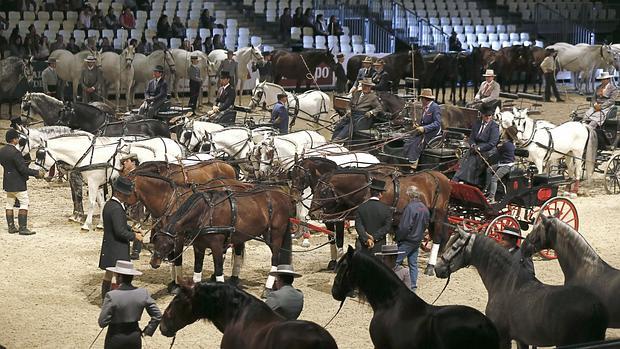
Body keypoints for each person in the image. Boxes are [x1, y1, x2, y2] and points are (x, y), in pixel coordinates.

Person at [98, 176, 144, 302]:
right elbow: (119, 231)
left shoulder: (110, 205)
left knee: (108, 274)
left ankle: (105, 299)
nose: (128, 197)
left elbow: (119, 225)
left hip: (110, 245)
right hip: (117, 247)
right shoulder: (116, 209)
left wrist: (132, 229)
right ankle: (114, 300)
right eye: (125, 195)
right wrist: (135, 236)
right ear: (118, 193)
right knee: (119, 275)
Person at [99, 260, 161, 349]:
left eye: (116, 275)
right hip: (134, 337)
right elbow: (158, 315)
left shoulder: (112, 296)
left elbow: (102, 322)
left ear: (119, 277)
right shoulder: (143, 293)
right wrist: (148, 330)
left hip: (115, 337)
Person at [0, 129, 44, 235]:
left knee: (9, 204)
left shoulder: (2, 151)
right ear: (14, 140)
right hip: (18, 182)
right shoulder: (16, 153)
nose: (18, 140)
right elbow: (23, 169)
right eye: (17, 138)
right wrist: (37, 173)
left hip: (7, 181)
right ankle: (22, 228)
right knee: (24, 203)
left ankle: (11, 227)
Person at [452, 104, 500, 186]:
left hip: (488, 150)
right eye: (486, 115)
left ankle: (470, 182)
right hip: (475, 147)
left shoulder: (494, 126)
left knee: (474, 159)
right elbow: (472, 138)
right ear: (482, 115)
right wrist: (473, 144)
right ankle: (457, 177)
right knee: (464, 157)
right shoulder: (477, 124)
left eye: (490, 115)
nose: (488, 117)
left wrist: (480, 148)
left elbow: (492, 143)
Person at [395, 186, 429, 291]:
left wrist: (398, 237)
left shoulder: (410, 207)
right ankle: (413, 286)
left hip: (408, 240)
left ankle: (395, 283)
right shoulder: (424, 208)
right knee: (413, 264)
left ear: (409, 195)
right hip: (417, 239)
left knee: (395, 262)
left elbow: (405, 226)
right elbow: (425, 224)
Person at [402, 88, 441, 169]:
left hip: (432, 131)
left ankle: (413, 164)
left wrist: (424, 128)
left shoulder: (435, 107)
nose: (421, 100)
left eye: (421, 99)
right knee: (409, 141)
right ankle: (407, 160)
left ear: (425, 99)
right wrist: (418, 126)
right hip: (424, 130)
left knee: (416, 144)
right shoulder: (425, 107)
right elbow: (424, 121)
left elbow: (437, 123)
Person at [354, 179, 392, 254]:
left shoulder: (361, 207)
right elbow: (387, 227)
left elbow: (358, 225)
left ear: (370, 192)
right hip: (379, 245)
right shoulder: (386, 209)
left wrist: (366, 239)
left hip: (363, 244)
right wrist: (374, 237)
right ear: (380, 194)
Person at [485, 126, 518, 203]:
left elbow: (498, 153)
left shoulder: (507, 145)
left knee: (494, 179)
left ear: (507, 134)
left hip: (507, 165)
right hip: (502, 163)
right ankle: (487, 189)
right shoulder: (508, 143)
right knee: (489, 170)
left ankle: (491, 197)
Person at [118, 153, 142, 260]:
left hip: (137, 204)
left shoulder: (138, 175)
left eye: (127, 161)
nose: (124, 163)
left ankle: (136, 250)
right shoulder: (127, 174)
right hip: (128, 204)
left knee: (137, 225)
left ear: (133, 162)